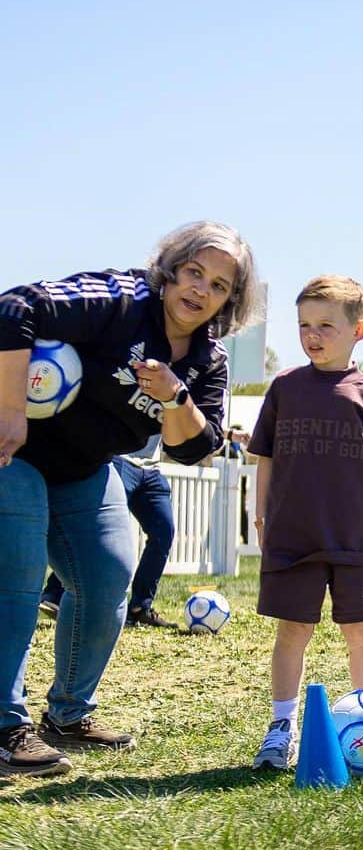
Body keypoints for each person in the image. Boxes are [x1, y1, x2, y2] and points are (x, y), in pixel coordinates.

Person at [0, 221, 259, 776]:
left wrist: (174, 395)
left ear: (230, 301)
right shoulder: (121, 299)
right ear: (170, 268)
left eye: (218, 285)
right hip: (12, 453)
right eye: (194, 272)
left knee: (109, 578)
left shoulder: (208, 361)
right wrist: (11, 408)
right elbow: (15, 305)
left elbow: (196, 448)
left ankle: (68, 715)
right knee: (18, 579)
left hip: (86, 468)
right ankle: (4, 728)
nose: (200, 290)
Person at [248, 275, 363, 772]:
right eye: (303, 325)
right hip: (294, 538)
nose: (312, 335)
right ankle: (282, 727)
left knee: (360, 633)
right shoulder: (284, 389)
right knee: (292, 629)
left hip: (356, 541)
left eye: (325, 325)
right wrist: (260, 515)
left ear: (358, 330)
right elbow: (265, 459)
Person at [40, 436, 180, 628]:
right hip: (121, 461)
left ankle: (140, 607)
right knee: (99, 526)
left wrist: (229, 435)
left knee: (164, 531)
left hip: (152, 469)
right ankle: (54, 594)